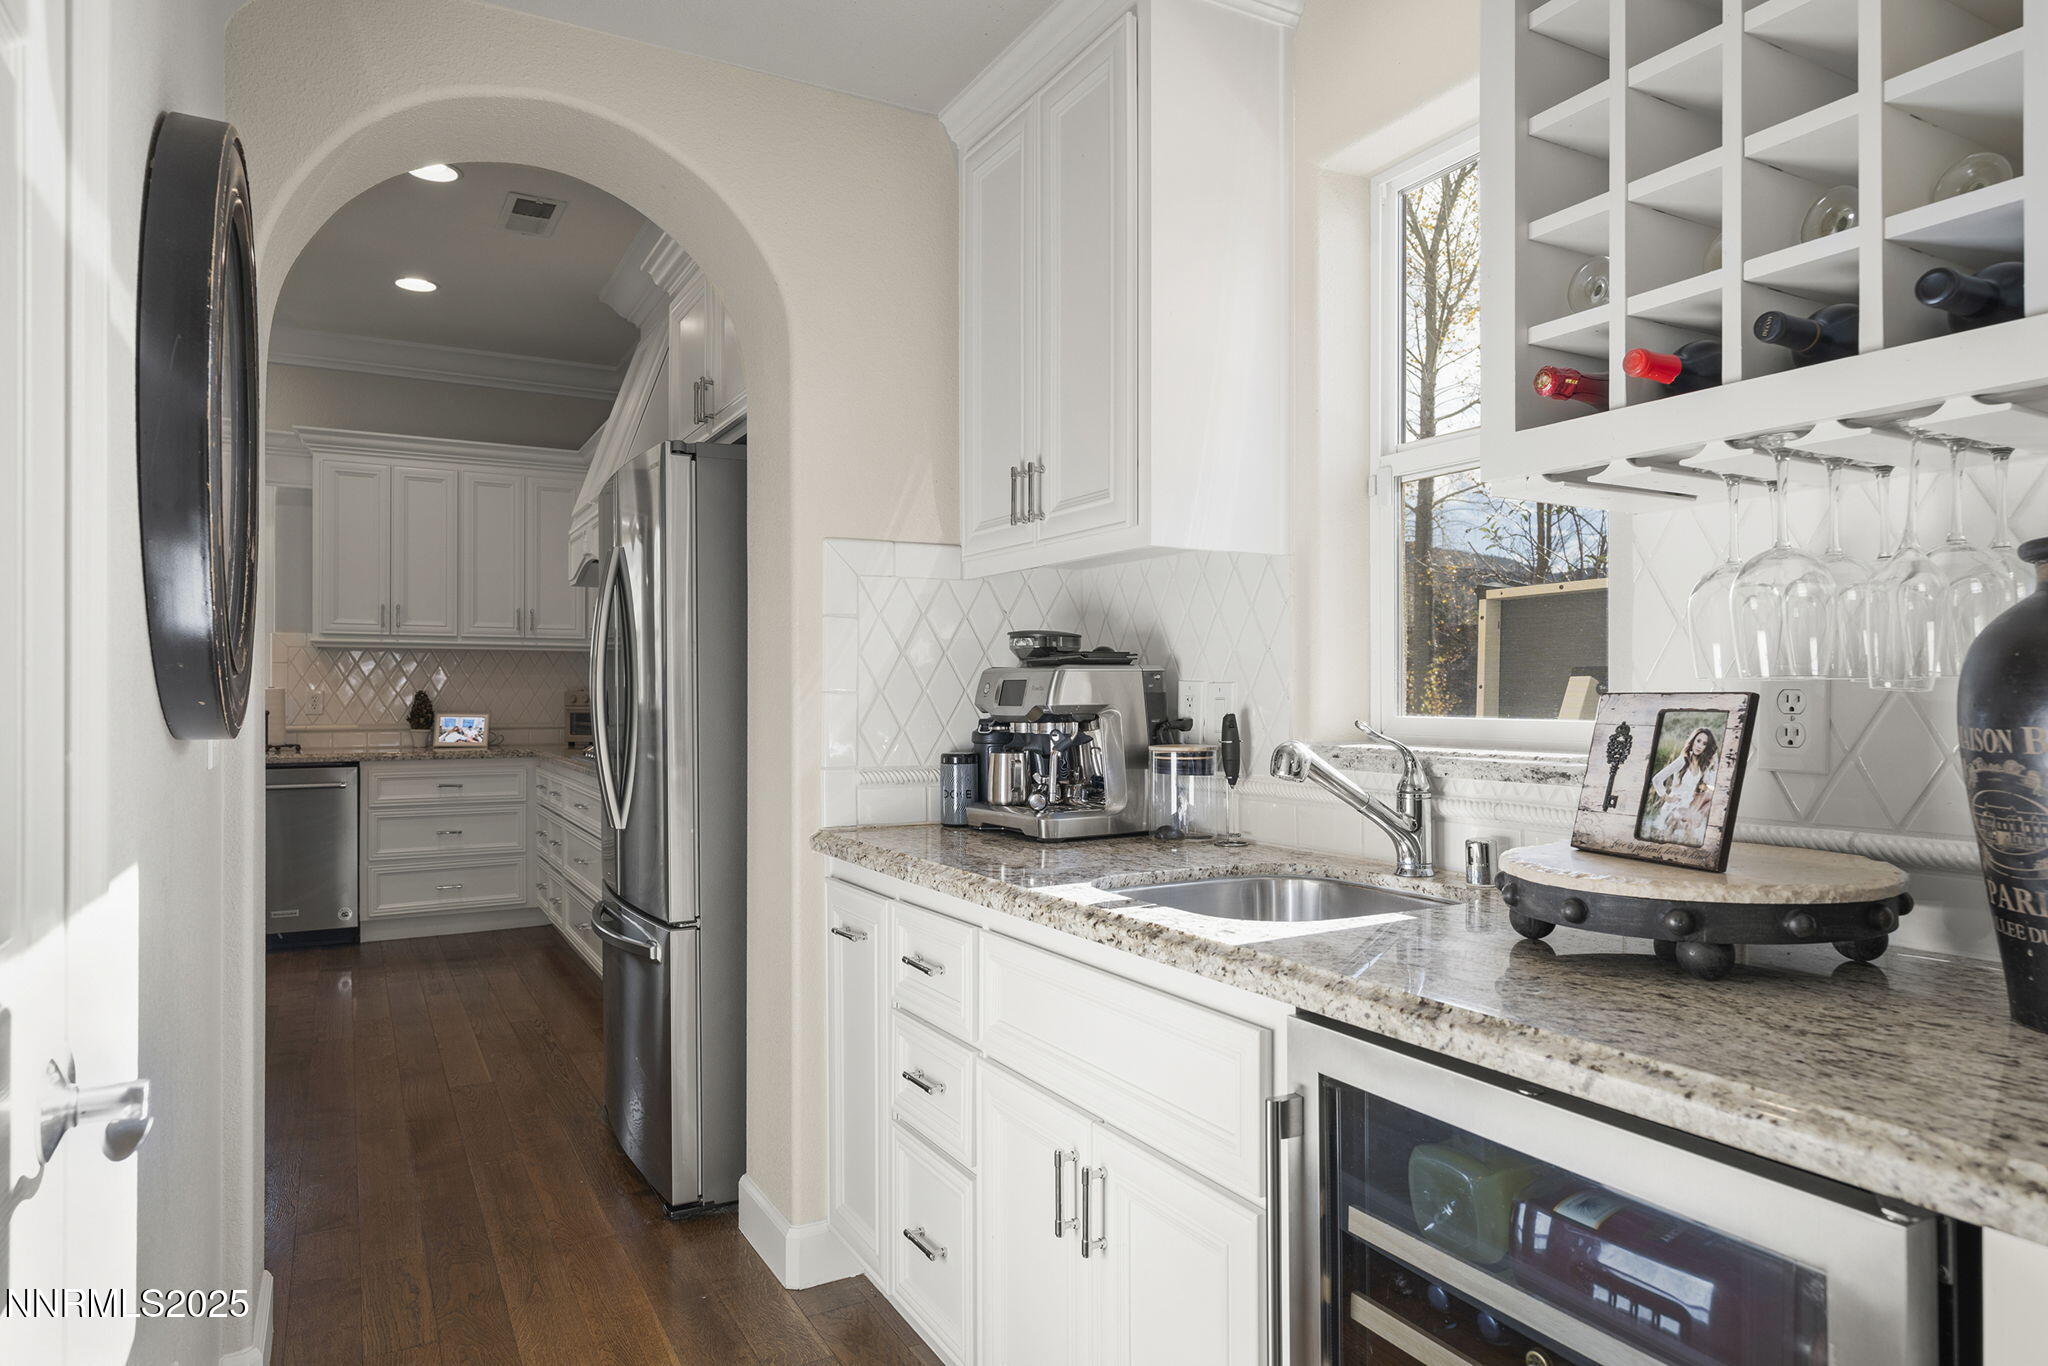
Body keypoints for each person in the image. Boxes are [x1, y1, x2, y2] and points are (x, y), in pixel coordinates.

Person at [1642, 725, 1718, 845]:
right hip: (1675, 807)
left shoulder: (1701, 765)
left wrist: (1714, 763)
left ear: (1706, 747)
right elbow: (1656, 779)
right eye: (1698, 741)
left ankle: (1692, 828)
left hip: (1689, 805)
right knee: (1689, 829)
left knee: (1712, 797)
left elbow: (1712, 786)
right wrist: (1666, 797)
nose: (1699, 746)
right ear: (1693, 741)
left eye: (1704, 744)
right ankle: (1691, 835)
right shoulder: (1683, 760)